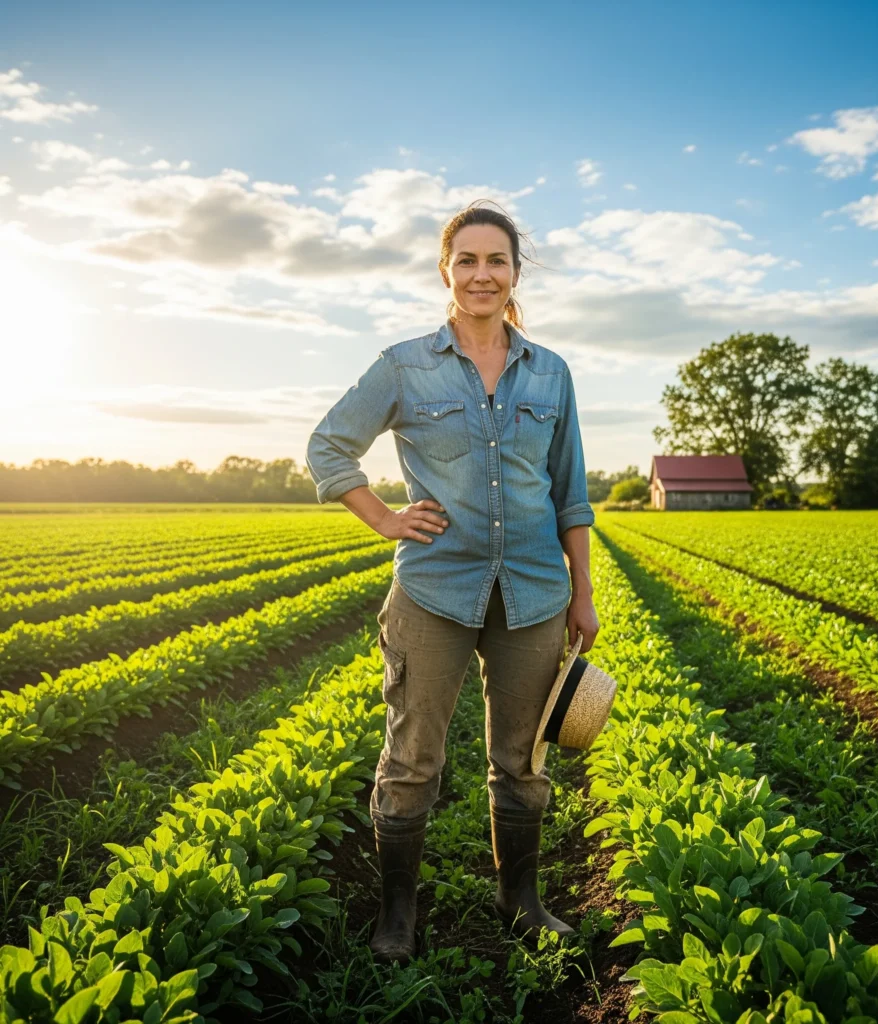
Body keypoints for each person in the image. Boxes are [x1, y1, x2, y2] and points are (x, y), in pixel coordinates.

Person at [305, 200, 600, 965]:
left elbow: (570, 493)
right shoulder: (406, 365)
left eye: (496, 260)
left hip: (534, 593)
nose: (481, 274)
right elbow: (328, 445)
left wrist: (583, 593)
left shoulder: (552, 373)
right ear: (446, 270)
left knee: (522, 761)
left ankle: (520, 899)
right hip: (433, 590)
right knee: (412, 761)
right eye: (466, 260)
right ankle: (397, 914)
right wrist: (384, 518)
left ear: (515, 272)